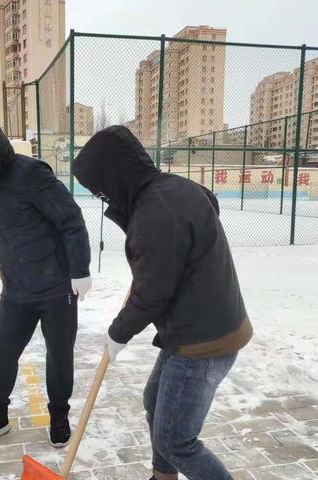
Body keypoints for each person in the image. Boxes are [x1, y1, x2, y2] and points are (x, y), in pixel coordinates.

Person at [73, 126, 253, 480]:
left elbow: (153, 294)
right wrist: (155, 262)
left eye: (100, 188)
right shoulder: (173, 188)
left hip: (201, 342)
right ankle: (163, 477)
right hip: (204, 323)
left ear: (115, 175)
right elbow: (205, 210)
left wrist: (118, 333)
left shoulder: (155, 213)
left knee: (176, 440)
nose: (103, 197)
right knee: (155, 404)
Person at [0, 113, 91, 449]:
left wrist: (80, 270)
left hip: (57, 288)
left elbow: (71, 220)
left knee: (58, 355)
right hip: (16, 290)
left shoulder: (31, 175)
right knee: (1, 351)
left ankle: (58, 414)